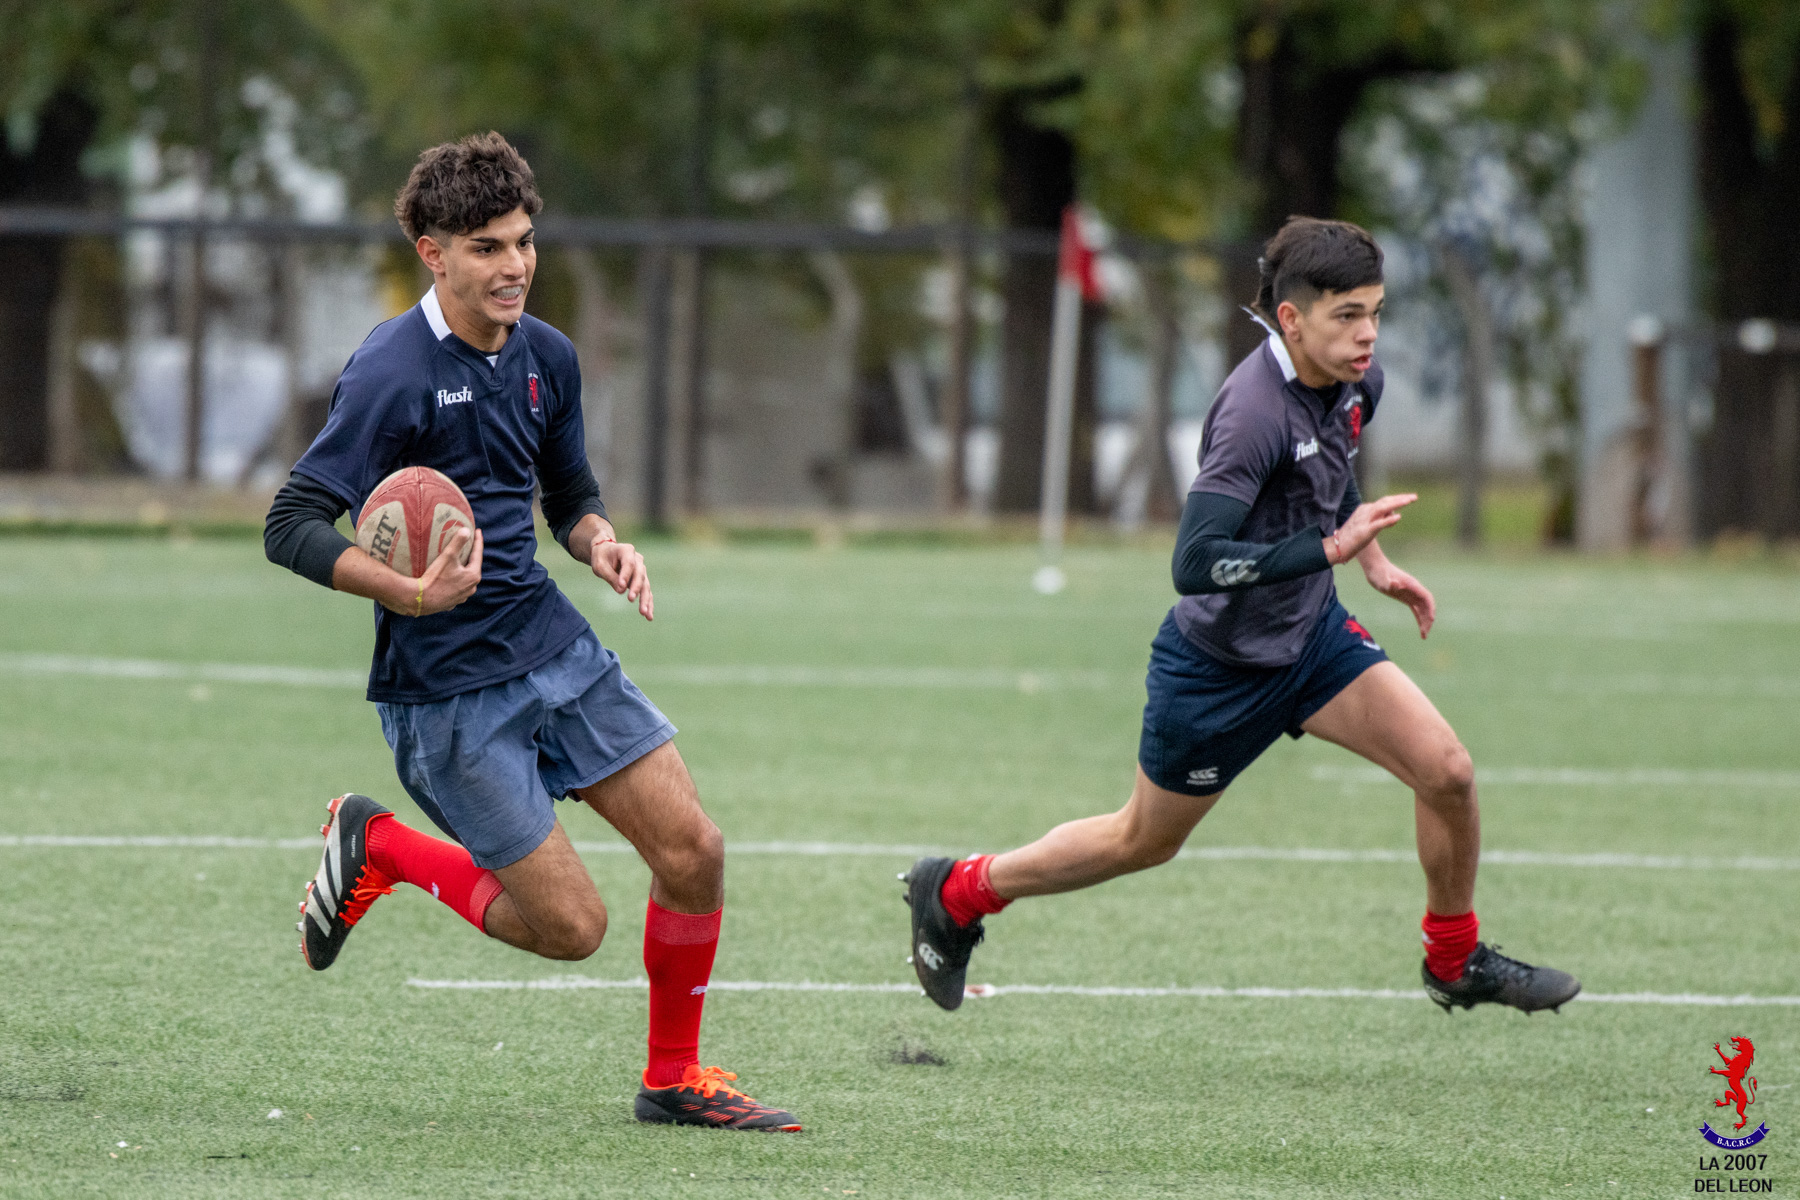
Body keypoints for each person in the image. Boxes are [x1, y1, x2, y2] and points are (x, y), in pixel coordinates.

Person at [903, 217, 1579, 1018]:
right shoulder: (1250, 415)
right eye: (1347, 317)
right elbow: (1194, 564)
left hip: (1312, 642)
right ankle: (958, 891)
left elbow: (1327, 474)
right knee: (1142, 842)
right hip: (1217, 671)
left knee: (1448, 772)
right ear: (1291, 320)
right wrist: (1329, 550)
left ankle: (1453, 958)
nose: (1368, 335)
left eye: (1375, 312)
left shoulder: (1359, 382)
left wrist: (1369, 559)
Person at [264, 132, 799, 1131]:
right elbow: (289, 522)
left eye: (522, 242)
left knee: (695, 851)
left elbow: (569, 493)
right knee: (572, 929)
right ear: (432, 252)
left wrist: (600, 541)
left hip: (554, 646)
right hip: (447, 689)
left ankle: (674, 1079)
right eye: (485, 248)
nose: (513, 266)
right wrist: (406, 590)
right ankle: (378, 844)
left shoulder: (548, 355)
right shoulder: (389, 372)